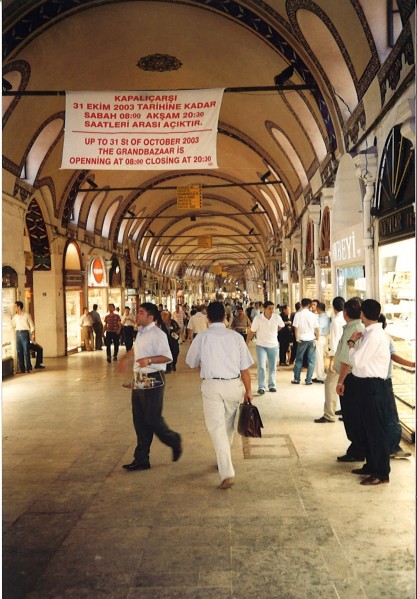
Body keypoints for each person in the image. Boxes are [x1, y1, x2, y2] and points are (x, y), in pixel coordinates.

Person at [185, 301, 254, 489]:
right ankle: (224, 460)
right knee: (228, 425)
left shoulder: (202, 337)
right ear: (225, 316)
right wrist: (249, 391)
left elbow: (191, 362)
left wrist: (204, 362)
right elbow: (245, 369)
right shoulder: (236, 337)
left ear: (207, 318)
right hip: (234, 385)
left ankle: (227, 472)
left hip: (212, 386)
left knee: (216, 428)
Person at [122, 302, 182, 471]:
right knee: (139, 419)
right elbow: (137, 350)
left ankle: (174, 440)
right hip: (140, 378)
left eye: (141, 312)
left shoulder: (158, 334)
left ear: (150, 317)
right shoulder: (140, 333)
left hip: (153, 378)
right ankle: (141, 458)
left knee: (152, 418)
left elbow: (167, 357)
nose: (137, 314)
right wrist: (125, 358)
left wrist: (148, 360)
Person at [347, 299, 391, 485]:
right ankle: (371, 465)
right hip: (366, 386)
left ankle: (381, 472)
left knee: (375, 431)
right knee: (368, 428)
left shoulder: (374, 336)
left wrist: (351, 344)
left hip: (373, 386)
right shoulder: (370, 333)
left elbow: (357, 361)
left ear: (364, 314)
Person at [314, 297, 362, 426]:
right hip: (347, 365)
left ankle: (329, 414)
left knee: (331, 386)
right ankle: (341, 411)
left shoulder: (338, 322)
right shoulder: (358, 325)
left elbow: (336, 344)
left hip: (341, 364)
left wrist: (331, 361)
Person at [379, 314, 414, 459]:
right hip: (384, 381)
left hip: (371, 382)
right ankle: (393, 447)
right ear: (385, 325)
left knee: (381, 415)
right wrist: (412, 364)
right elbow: (394, 356)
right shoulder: (386, 338)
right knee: (391, 415)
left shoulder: (364, 336)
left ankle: (384, 445)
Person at [246, 300, 284, 394]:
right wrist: (246, 343)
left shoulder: (276, 317)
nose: (271, 310)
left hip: (273, 345)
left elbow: (281, 326)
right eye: (269, 308)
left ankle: (272, 385)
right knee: (262, 366)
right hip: (261, 345)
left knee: (272, 366)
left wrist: (275, 332)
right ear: (264, 309)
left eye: (272, 308)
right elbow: (252, 331)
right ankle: (261, 386)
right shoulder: (258, 318)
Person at [291, 298, 319, 385]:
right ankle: (308, 380)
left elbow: (295, 327)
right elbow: (317, 328)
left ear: (301, 305)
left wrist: (296, 338)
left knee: (299, 359)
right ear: (309, 305)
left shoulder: (298, 315)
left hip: (302, 339)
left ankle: (296, 379)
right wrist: (317, 338)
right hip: (311, 339)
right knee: (311, 360)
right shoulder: (313, 315)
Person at [11, 301, 35, 374]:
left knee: (26, 351)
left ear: (19, 307)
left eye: (15, 306)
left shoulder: (27, 315)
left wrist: (33, 335)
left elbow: (32, 325)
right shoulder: (15, 317)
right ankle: (22, 369)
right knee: (19, 351)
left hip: (25, 333)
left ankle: (29, 368)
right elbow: (13, 325)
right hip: (18, 333)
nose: (14, 308)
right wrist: (11, 319)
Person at [312, 302, 330, 383]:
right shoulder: (326, 316)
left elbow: (318, 328)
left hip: (320, 338)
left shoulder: (322, 318)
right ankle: (320, 375)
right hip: (323, 337)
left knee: (319, 358)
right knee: (320, 357)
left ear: (318, 308)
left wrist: (316, 338)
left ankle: (321, 376)